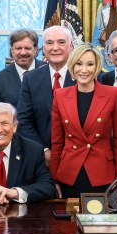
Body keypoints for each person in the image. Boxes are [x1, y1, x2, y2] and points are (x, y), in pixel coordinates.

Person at [50, 43, 117, 198]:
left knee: (100, 221)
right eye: (79, 64)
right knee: (67, 221)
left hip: (102, 175)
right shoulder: (60, 95)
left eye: (90, 64)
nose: (84, 70)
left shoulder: (114, 94)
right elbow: (57, 142)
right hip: (69, 174)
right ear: (72, 66)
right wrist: (53, 179)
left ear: (97, 67)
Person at [16, 25, 75, 153]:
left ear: (71, 46)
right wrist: (43, 150)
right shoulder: (30, 79)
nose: (55, 48)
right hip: (41, 157)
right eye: (49, 43)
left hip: (77, 155)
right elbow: (23, 121)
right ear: (43, 49)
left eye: (61, 42)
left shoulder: (83, 76)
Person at [0, 28, 41, 107]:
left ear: (35, 50)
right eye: (18, 48)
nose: (23, 53)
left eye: (27, 48)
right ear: (12, 50)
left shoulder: (48, 71)